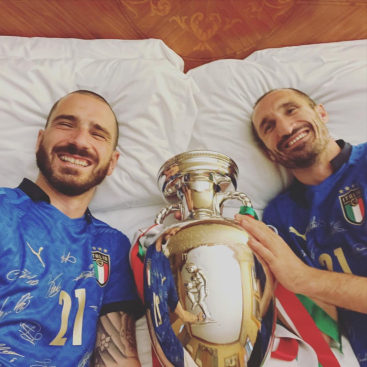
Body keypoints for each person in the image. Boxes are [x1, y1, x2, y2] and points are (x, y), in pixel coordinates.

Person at [0, 90, 144, 367]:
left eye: (98, 134)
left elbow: (118, 354)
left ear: (112, 162)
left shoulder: (111, 245)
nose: (79, 140)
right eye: (66, 124)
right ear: (40, 141)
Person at [235, 88, 367, 365]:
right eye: (268, 127)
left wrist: (304, 278)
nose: (284, 127)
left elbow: (301, 281)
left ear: (321, 112)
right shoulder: (278, 218)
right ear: (269, 153)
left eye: (291, 110)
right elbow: (305, 314)